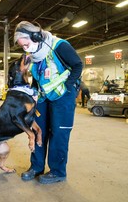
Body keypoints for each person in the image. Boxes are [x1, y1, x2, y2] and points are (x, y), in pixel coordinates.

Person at [14, 21, 83, 184]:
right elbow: (38, 78)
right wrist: (32, 95)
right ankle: (37, 167)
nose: (25, 48)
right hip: (43, 97)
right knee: (39, 130)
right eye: (22, 46)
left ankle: (58, 171)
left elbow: (78, 65)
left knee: (59, 133)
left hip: (63, 97)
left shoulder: (59, 46)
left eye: (26, 44)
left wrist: (67, 86)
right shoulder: (34, 56)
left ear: (36, 36)